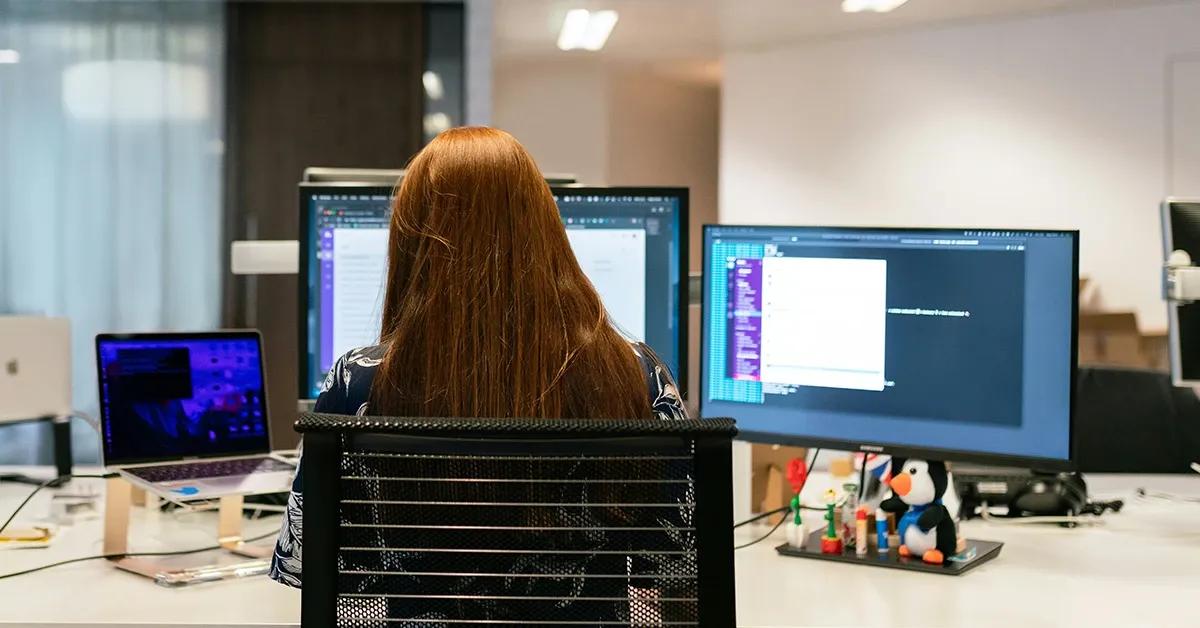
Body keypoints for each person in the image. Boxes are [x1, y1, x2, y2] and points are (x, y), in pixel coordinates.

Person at [269, 126, 688, 588]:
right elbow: (680, 567)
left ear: (412, 245)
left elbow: (303, 562)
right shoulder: (639, 375)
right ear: (547, 231)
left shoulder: (358, 382)